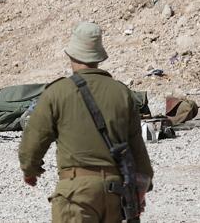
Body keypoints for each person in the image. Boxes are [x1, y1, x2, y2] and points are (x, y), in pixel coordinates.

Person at [19, 22, 154, 222]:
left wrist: (30, 170)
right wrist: (142, 186)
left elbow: (34, 139)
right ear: (99, 58)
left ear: (71, 55)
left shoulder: (57, 92)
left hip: (76, 193)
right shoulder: (122, 93)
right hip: (116, 192)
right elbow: (136, 146)